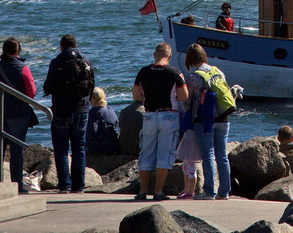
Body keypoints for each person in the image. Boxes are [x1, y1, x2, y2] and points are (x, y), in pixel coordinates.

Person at [133, 41, 190, 202]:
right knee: (165, 154)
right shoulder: (174, 72)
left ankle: (143, 190)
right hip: (168, 115)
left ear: (154, 55)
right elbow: (184, 96)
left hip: (150, 115)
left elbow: (136, 95)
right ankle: (158, 191)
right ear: (169, 56)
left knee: (146, 153)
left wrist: (148, 97)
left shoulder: (143, 72)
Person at [43, 34, 96, 194]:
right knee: (79, 147)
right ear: (75, 45)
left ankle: (64, 185)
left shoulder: (57, 62)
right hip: (81, 109)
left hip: (60, 110)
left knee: (61, 149)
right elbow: (92, 85)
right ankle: (79, 186)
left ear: (62, 47)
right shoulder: (86, 62)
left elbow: (47, 87)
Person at [0, 38, 40, 193]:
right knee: (16, 151)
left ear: (4, 50)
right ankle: (17, 185)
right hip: (18, 113)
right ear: (18, 50)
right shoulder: (23, 68)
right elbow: (31, 93)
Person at [185, 44, 233, 199]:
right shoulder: (218, 72)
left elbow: (188, 104)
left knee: (208, 155)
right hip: (224, 118)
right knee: (222, 156)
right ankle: (224, 192)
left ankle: (209, 192)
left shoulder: (193, 78)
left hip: (204, 120)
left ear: (190, 59)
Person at [86, 87, 121, 156]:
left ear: (90, 100)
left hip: (94, 148)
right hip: (111, 147)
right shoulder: (110, 111)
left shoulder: (89, 114)